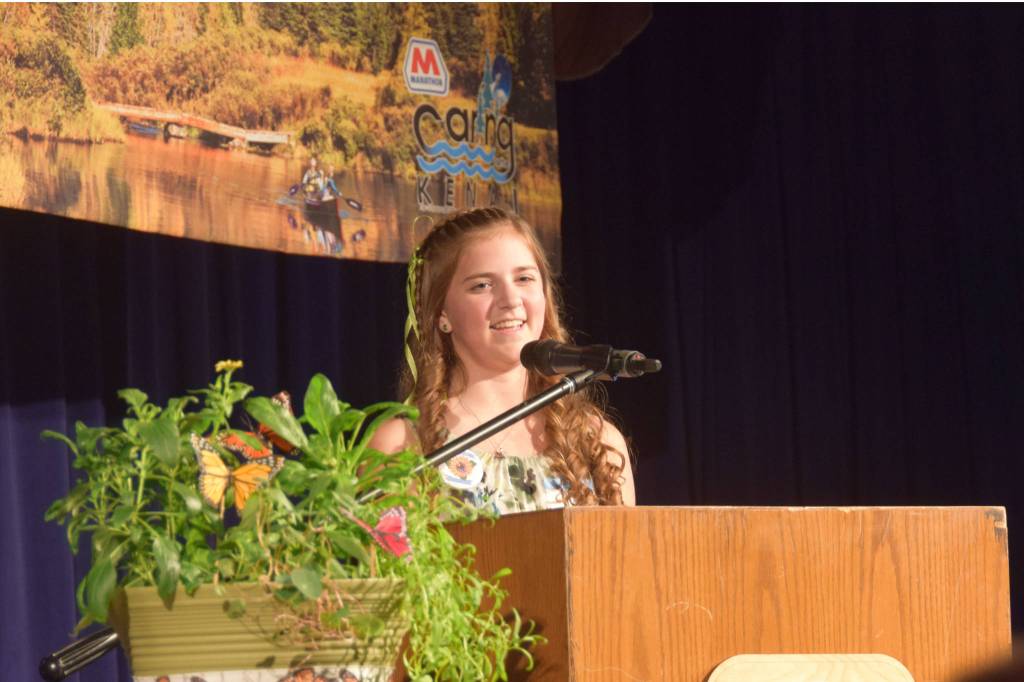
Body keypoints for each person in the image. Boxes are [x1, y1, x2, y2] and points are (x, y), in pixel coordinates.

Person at [370, 207, 636, 514]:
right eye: (482, 285)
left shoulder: (598, 444)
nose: (510, 300)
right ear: (442, 313)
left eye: (524, 278)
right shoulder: (402, 446)